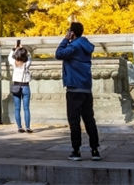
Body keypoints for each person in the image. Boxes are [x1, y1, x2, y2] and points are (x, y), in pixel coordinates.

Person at [55, 21, 101, 162]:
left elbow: (58, 54)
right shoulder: (85, 45)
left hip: (74, 88)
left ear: (72, 33)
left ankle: (76, 150)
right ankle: (95, 150)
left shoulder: (73, 46)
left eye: (69, 31)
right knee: (89, 120)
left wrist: (65, 39)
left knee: (74, 120)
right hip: (86, 88)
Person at [9, 41, 32, 133]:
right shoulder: (27, 64)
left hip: (16, 86)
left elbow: (9, 57)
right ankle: (28, 127)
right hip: (25, 86)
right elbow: (29, 57)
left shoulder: (14, 63)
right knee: (26, 108)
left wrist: (14, 49)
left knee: (17, 108)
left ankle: (19, 127)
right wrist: (24, 50)